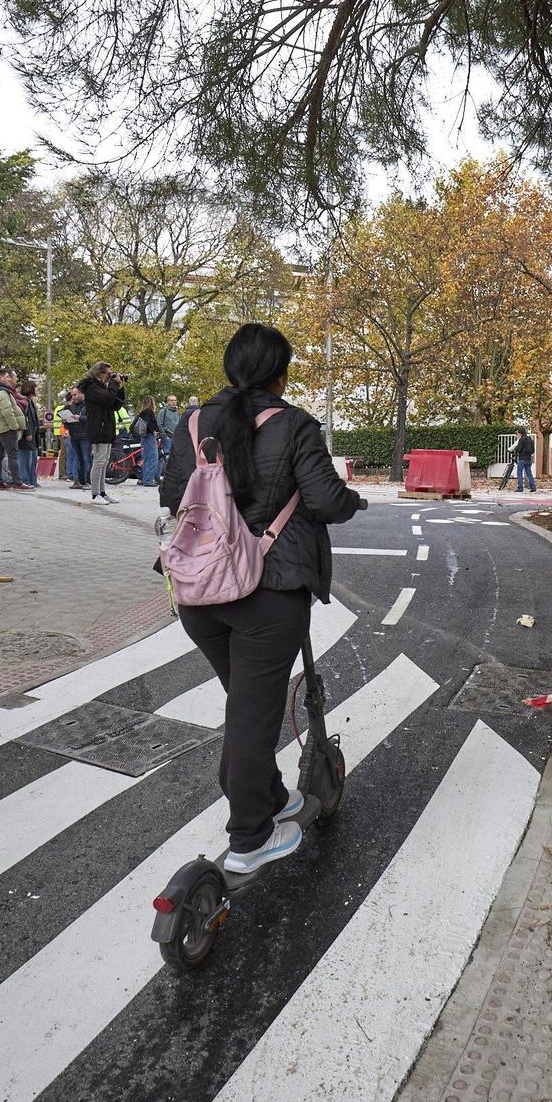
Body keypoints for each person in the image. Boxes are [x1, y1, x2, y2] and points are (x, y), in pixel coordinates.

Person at [161, 322, 364, 875]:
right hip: (266, 593)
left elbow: (169, 492)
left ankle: (274, 797)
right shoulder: (295, 424)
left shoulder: (195, 422)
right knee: (251, 719)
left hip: (199, 593)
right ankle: (250, 837)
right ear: (280, 372)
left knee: (249, 707)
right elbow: (323, 499)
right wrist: (354, 502)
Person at [79, 362, 125, 501]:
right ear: (99, 373)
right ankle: (95, 494)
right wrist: (113, 384)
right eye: (108, 374)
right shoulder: (91, 387)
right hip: (98, 428)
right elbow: (107, 398)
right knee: (99, 462)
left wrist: (120, 388)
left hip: (107, 428)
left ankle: (102, 492)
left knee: (104, 462)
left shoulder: (103, 387)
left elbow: (115, 404)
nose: (109, 377)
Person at [14, 379, 43, 490]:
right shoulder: (23, 401)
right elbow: (23, 419)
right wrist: (28, 432)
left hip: (33, 435)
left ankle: (32, 480)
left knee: (33, 459)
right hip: (27, 435)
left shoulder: (30, 401)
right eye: (36, 388)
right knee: (26, 459)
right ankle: (25, 480)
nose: (38, 390)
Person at [59, 387, 89, 489]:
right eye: (72, 395)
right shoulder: (72, 406)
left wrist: (80, 418)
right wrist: (65, 421)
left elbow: (92, 419)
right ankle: (79, 481)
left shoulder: (88, 405)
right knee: (78, 459)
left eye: (75, 395)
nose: (73, 397)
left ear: (81, 393)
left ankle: (88, 482)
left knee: (86, 459)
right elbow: (66, 419)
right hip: (74, 436)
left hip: (85, 436)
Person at [134, 395, 162, 487]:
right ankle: (148, 480)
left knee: (146, 458)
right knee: (153, 457)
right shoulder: (149, 412)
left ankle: (144, 479)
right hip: (149, 436)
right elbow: (148, 423)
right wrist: (153, 431)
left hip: (144, 437)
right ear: (151, 402)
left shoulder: (142, 411)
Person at [511, 425, 537, 492]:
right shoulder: (531, 440)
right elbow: (533, 450)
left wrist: (516, 449)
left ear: (520, 433)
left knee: (519, 472)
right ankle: (533, 487)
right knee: (529, 473)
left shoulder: (521, 440)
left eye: (518, 433)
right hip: (528, 459)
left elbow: (518, 449)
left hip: (522, 458)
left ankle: (520, 487)